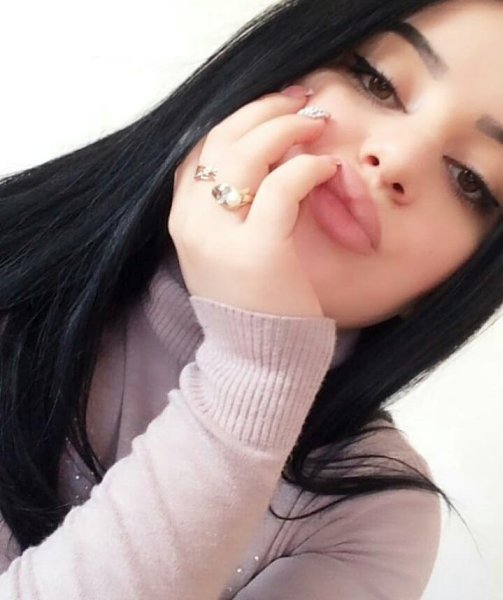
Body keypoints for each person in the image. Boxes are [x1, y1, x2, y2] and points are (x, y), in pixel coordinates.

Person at [0, 0, 501, 597]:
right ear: (270, 69)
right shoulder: (16, 267)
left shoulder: (373, 516)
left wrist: (256, 369)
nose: (396, 157)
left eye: (470, 179)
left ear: (454, 285)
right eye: (377, 81)